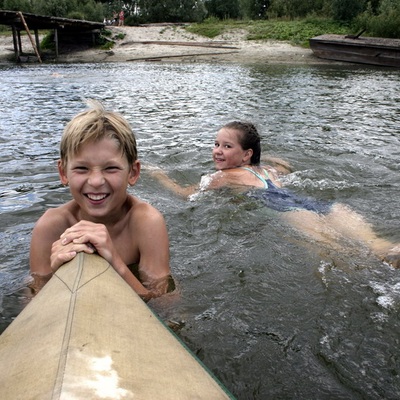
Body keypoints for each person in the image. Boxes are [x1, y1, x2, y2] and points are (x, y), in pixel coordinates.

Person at [150, 121, 400, 268]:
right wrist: (262, 156)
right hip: (315, 203)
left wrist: (160, 175)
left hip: (290, 211)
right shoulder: (267, 169)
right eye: (216, 144)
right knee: (378, 245)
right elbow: (286, 165)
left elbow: (185, 194)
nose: (217, 151)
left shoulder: (223, 177)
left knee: (344, 257)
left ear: (246, 153)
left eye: (227, 146)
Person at [29, 100, 174, 301]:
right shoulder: (51, 226)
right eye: (81, 168)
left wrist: (115, 262)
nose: (96, 181)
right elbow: (31, 304)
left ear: (133, 172)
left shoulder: (146, 222)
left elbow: (165, 306)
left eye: (111, 168)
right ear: (63, 173)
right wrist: (55, 276)